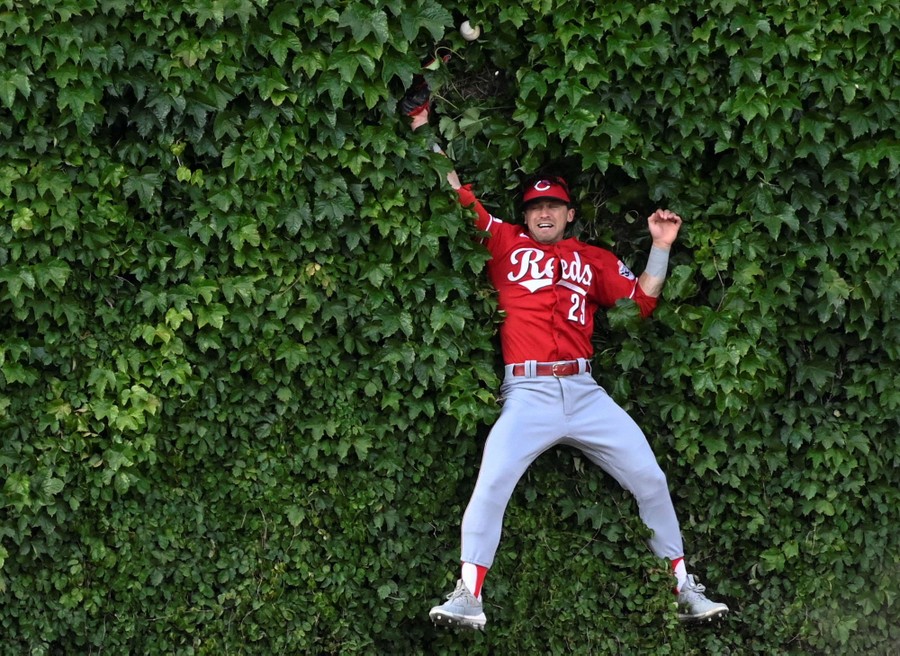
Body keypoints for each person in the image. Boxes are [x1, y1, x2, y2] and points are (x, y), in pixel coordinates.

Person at [405, 102, 729, 630]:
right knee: (491, 483)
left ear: (570, 212)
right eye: (535, 208)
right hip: (528, 392)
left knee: (649, 477)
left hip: (584, 391)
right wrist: (422, 127)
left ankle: (683, 588)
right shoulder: (505, 242)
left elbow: (640, 303)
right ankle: (468, 594)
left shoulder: (592, 258)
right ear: (526, 214)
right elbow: (456, 194)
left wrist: (662, 247)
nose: (544, 214)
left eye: (554, 206)